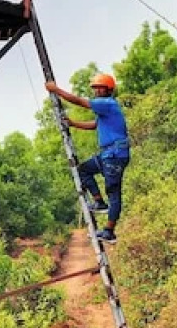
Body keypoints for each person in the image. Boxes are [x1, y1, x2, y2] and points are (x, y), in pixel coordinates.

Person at [46, 72, 130, 243]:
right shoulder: (105, 109)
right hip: (108, 155)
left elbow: (80, 101)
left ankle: (109, 231)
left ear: (108, 89)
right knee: (84, 169)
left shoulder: (107, 104)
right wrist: (73, 123)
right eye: (95, 88)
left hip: (115, 156)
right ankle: (99, 201)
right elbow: (95, 125)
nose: (97, 91)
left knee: (114, 193)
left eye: (100, 88)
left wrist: (56, 90)